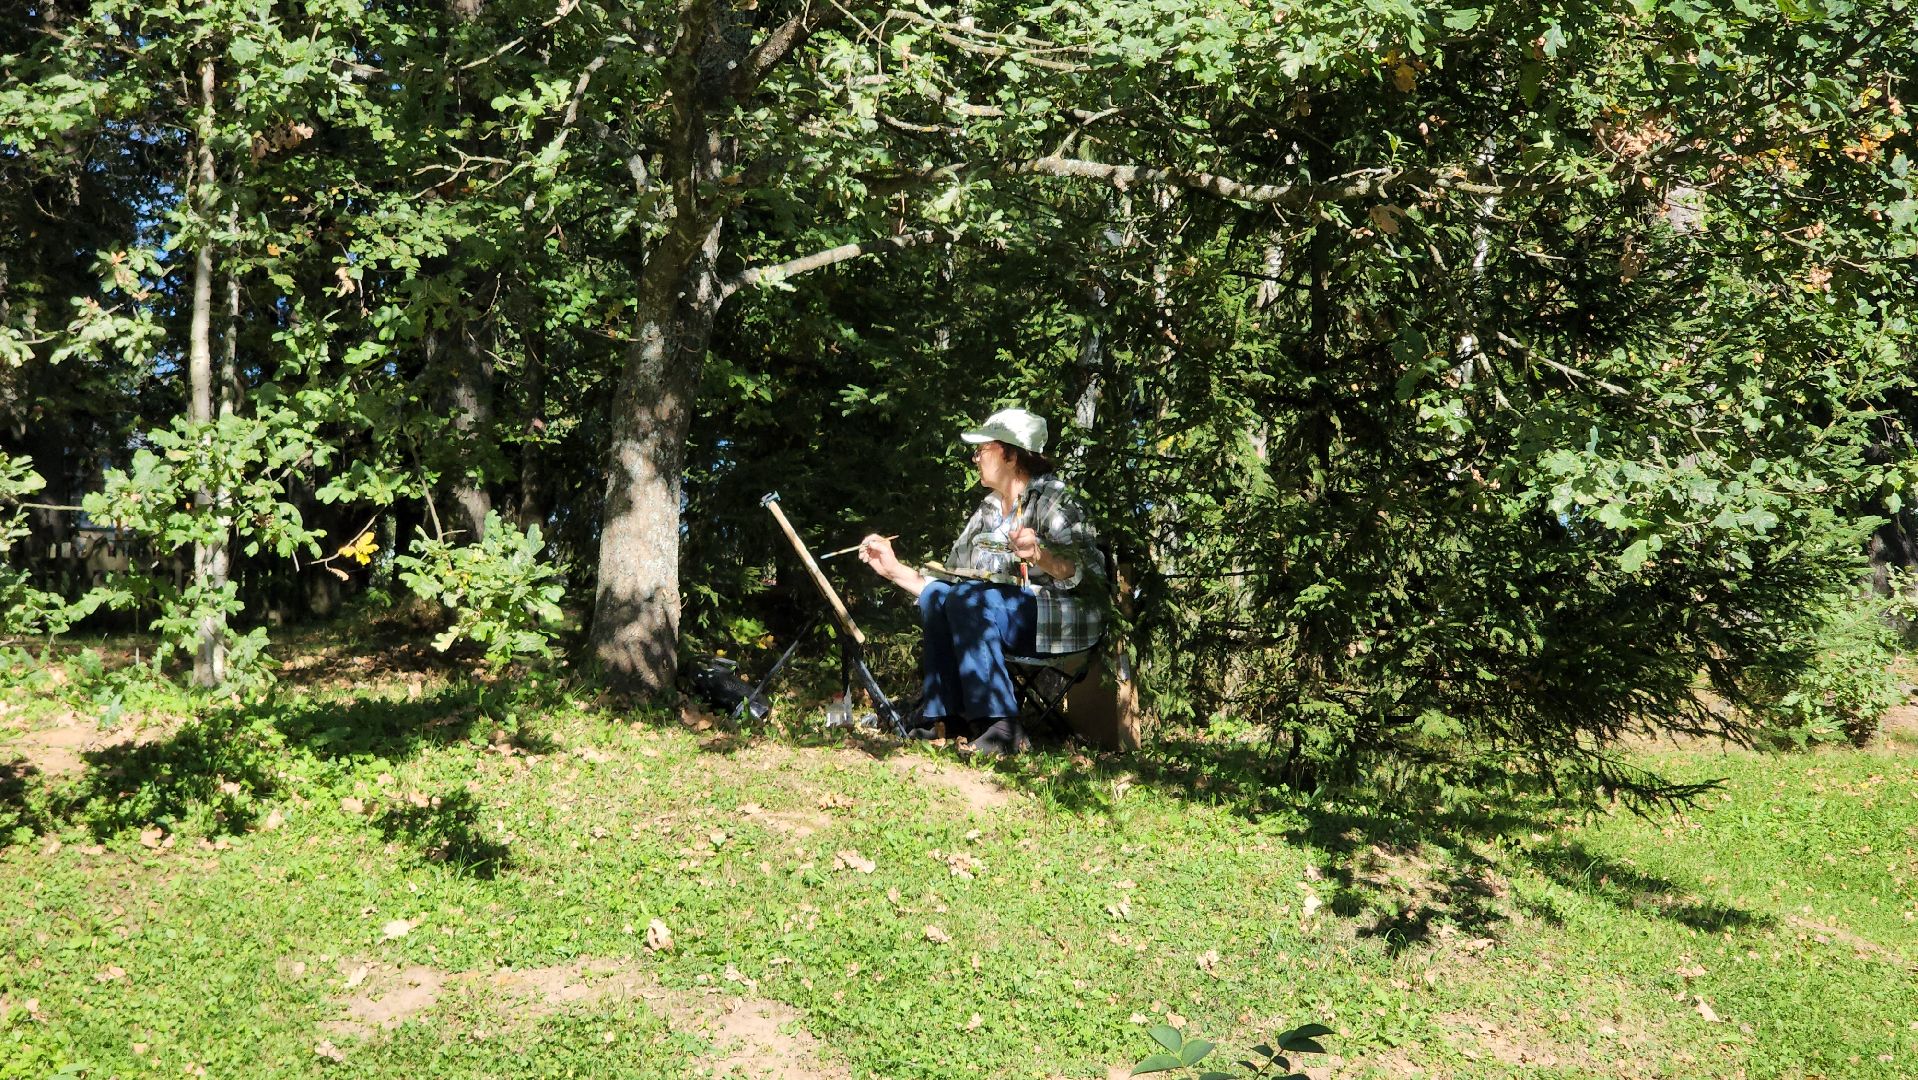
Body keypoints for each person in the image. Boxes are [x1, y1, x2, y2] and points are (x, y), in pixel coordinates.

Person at [858, 407, 1105, 756]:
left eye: (982, 449)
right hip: (996, 609)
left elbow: (1085, 574)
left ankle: (1001, 727)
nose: (975, 457)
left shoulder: (1054, 501)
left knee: (970, 598)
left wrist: (1040, 555)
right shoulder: (989, 510)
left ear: (1010, 453)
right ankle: (947, 719)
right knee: (941, 597)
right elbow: (946, 583)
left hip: (1061, 617)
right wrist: (892, 569)